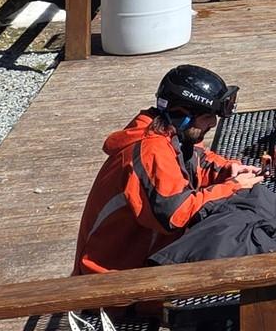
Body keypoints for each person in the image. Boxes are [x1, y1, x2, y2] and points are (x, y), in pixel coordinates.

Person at [74, 65, 262, 274]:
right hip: (114, 281)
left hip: (149, 261)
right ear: (183, 115)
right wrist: (232, 187)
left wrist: (228, 169)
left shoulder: (169, 133)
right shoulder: (151, 152)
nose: (213, 123)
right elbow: (176, 215)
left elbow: (196, 160)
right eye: (208, 116)